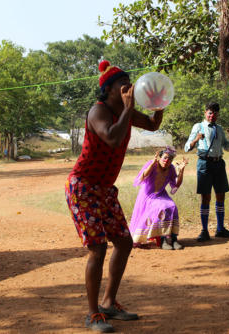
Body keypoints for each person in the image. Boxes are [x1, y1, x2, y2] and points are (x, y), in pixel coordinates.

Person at [65, 60, 165, 333]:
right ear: (108, 89)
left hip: (105, 190)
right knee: (97, 248)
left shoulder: (126, 113)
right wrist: (130, 110)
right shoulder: (98, 111)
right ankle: (93, 314)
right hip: (83, 187)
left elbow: (154, 125)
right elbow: (110, 137)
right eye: (123, 83)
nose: (129, 87)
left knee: (123, 242)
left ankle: (108, 303)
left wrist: (159, 102)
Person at [184, 102, 229, 242]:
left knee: (221, 196)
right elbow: (186, 147)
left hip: (219, 163)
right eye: (210, 113)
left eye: (215, 113)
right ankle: (204, 230)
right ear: (205, 113)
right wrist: (196, 139)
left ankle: (220, 229)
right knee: (205, 197)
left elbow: (227, 147)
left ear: (218, 115)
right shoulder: (198, 126)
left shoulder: (219, 129)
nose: (212, 116)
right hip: (204, 164)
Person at [129, 147, 188, 250]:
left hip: (161, 194)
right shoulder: (152, 164)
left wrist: (181, 171)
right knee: (162, 207)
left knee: (172, 206)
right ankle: (163, 240)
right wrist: (152, 164)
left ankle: (173, 239)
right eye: (165, 158)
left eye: (170, 159)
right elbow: (142, 177)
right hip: (148, 196)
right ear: (159, 157)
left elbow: (175, 187)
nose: (167, 161)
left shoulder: (171, 169)